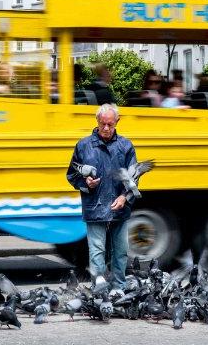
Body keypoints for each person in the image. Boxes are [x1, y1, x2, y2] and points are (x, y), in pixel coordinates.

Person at [66, 103, 137, 292]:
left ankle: (119, 287)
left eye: (110, 124)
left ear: (117, 122)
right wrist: (85, 184)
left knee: (120, 251)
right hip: (94, 205)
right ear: (97, 121)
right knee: (97, 251)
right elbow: (71, 175)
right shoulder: (83, 145)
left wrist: (124, 197)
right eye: (103, 124)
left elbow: (134, 178)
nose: (106, 128)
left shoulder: (126, 145)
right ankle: (99, 289)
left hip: (120, 206)